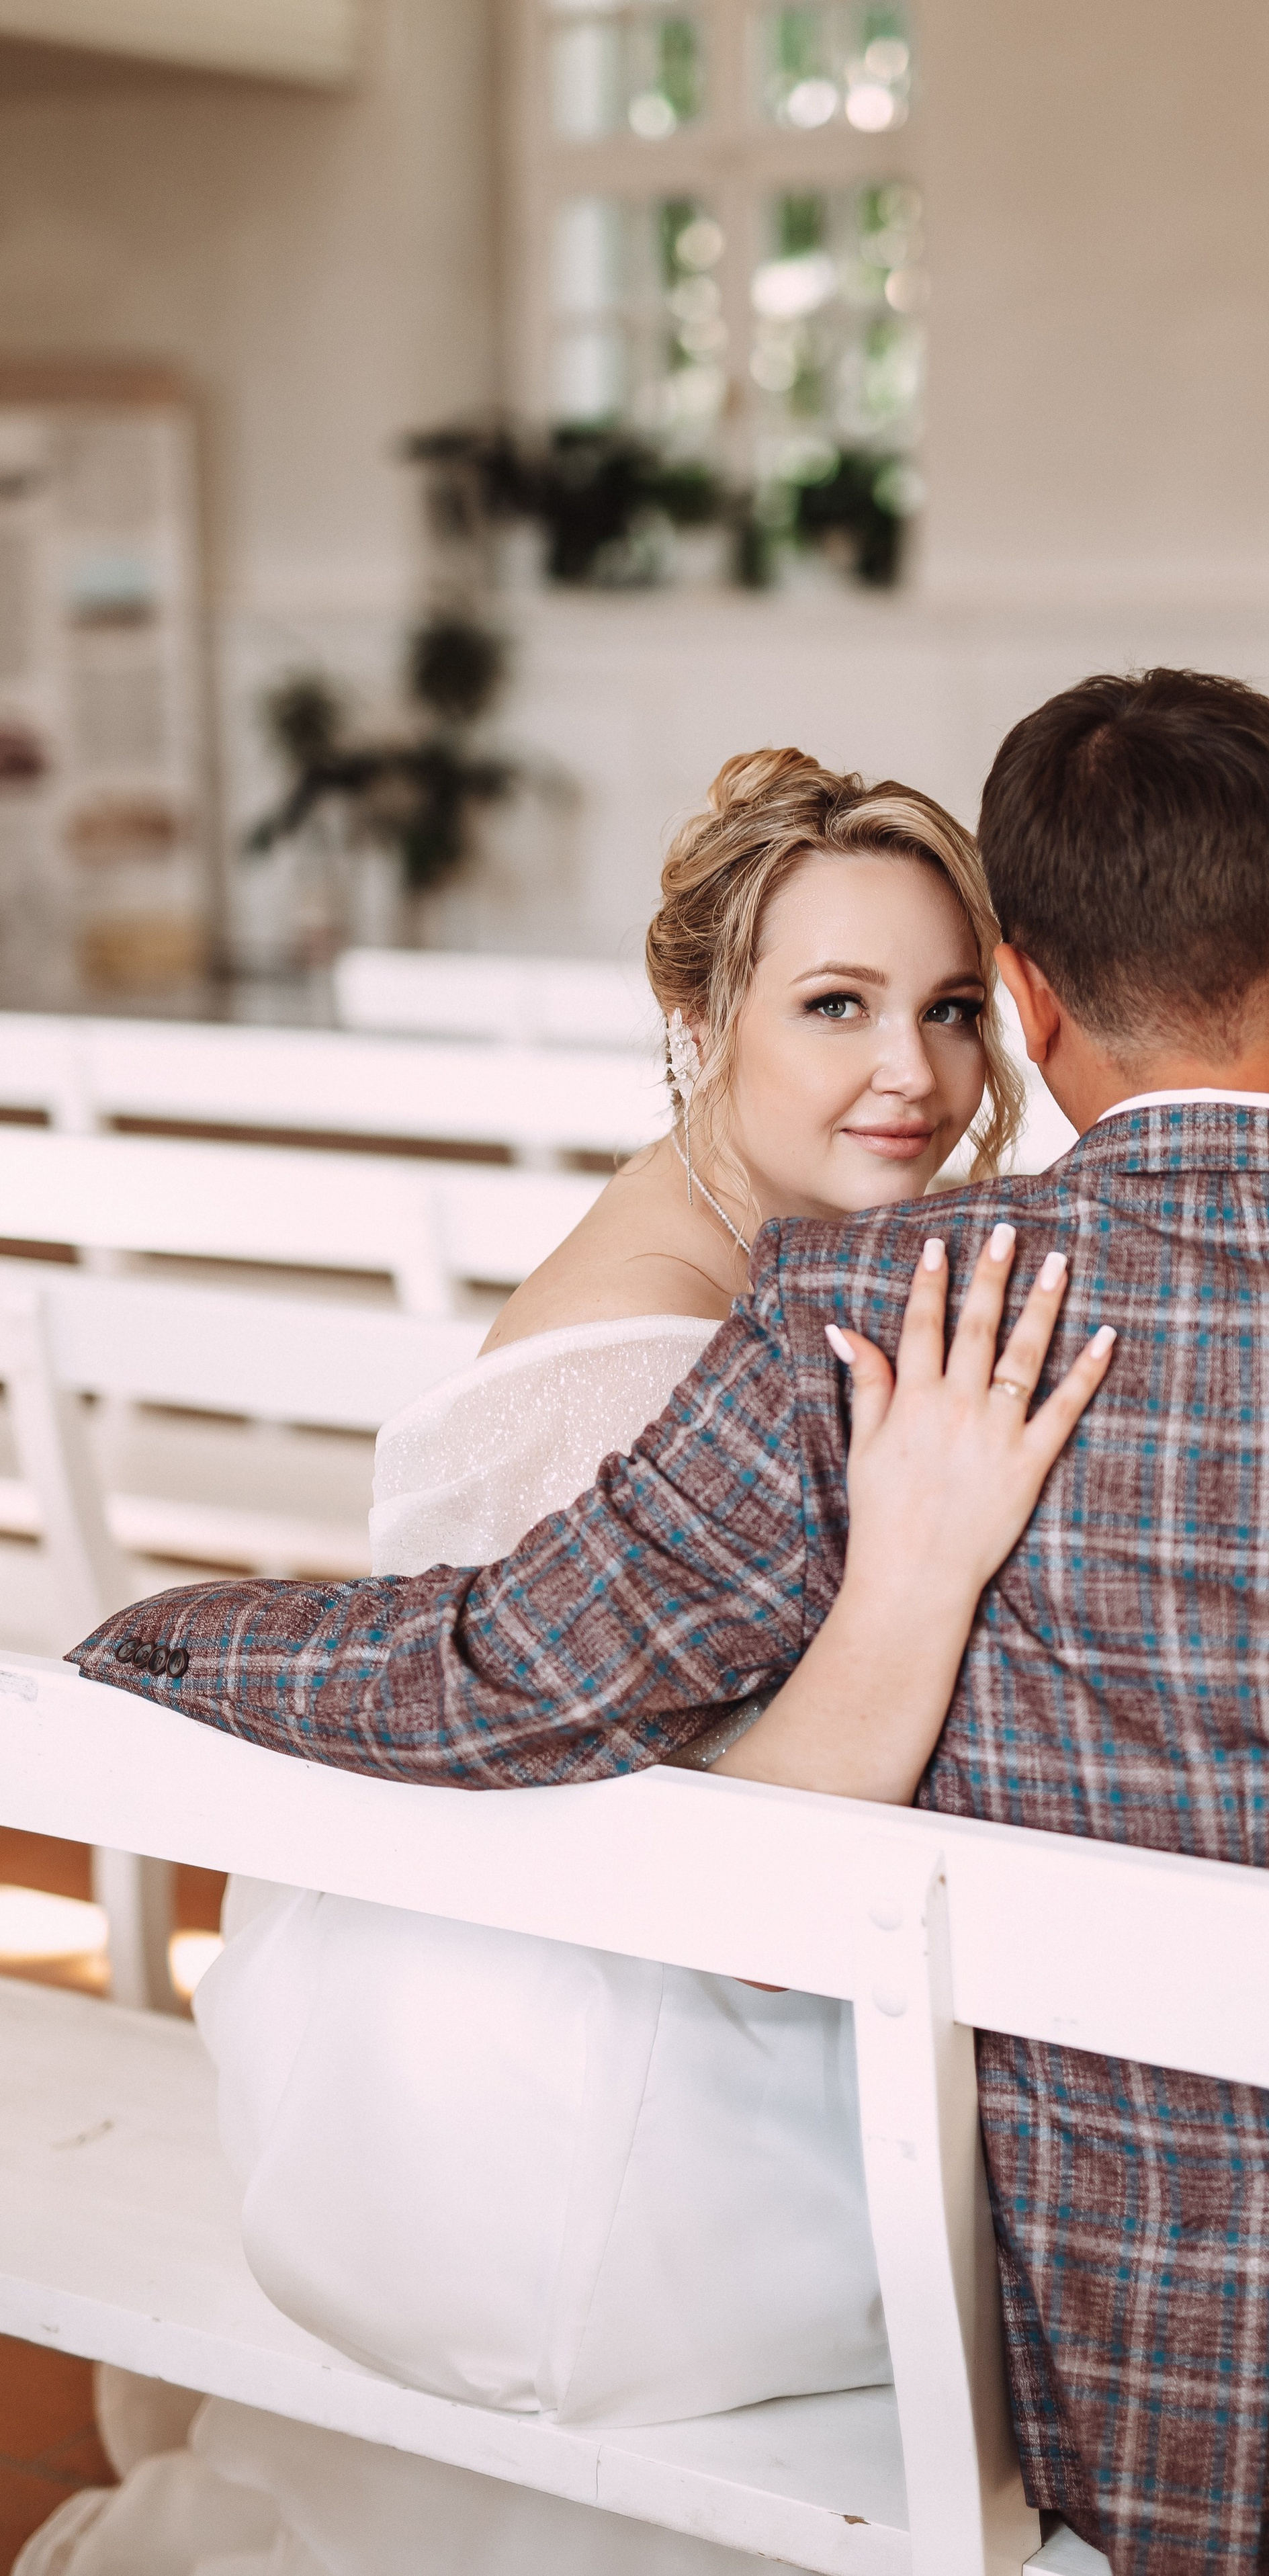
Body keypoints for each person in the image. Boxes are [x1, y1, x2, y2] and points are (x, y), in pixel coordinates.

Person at [75, 668, 1269, 2576]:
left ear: (1022, 993)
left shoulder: (878, 1303)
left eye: (944, 1007)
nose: (914, 1068)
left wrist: (154, 1648)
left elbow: (503, 1672)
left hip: (1121, 2416)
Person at [30, 748, 1109, 2576]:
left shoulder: (769, 1250)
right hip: (571, 2103)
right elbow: (694, 1855)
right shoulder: (639, 1344)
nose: (913, 1074)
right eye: (834, 1004)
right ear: (699, 1014)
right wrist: (924, 1574)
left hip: (563, 1969)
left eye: (945, 1008)